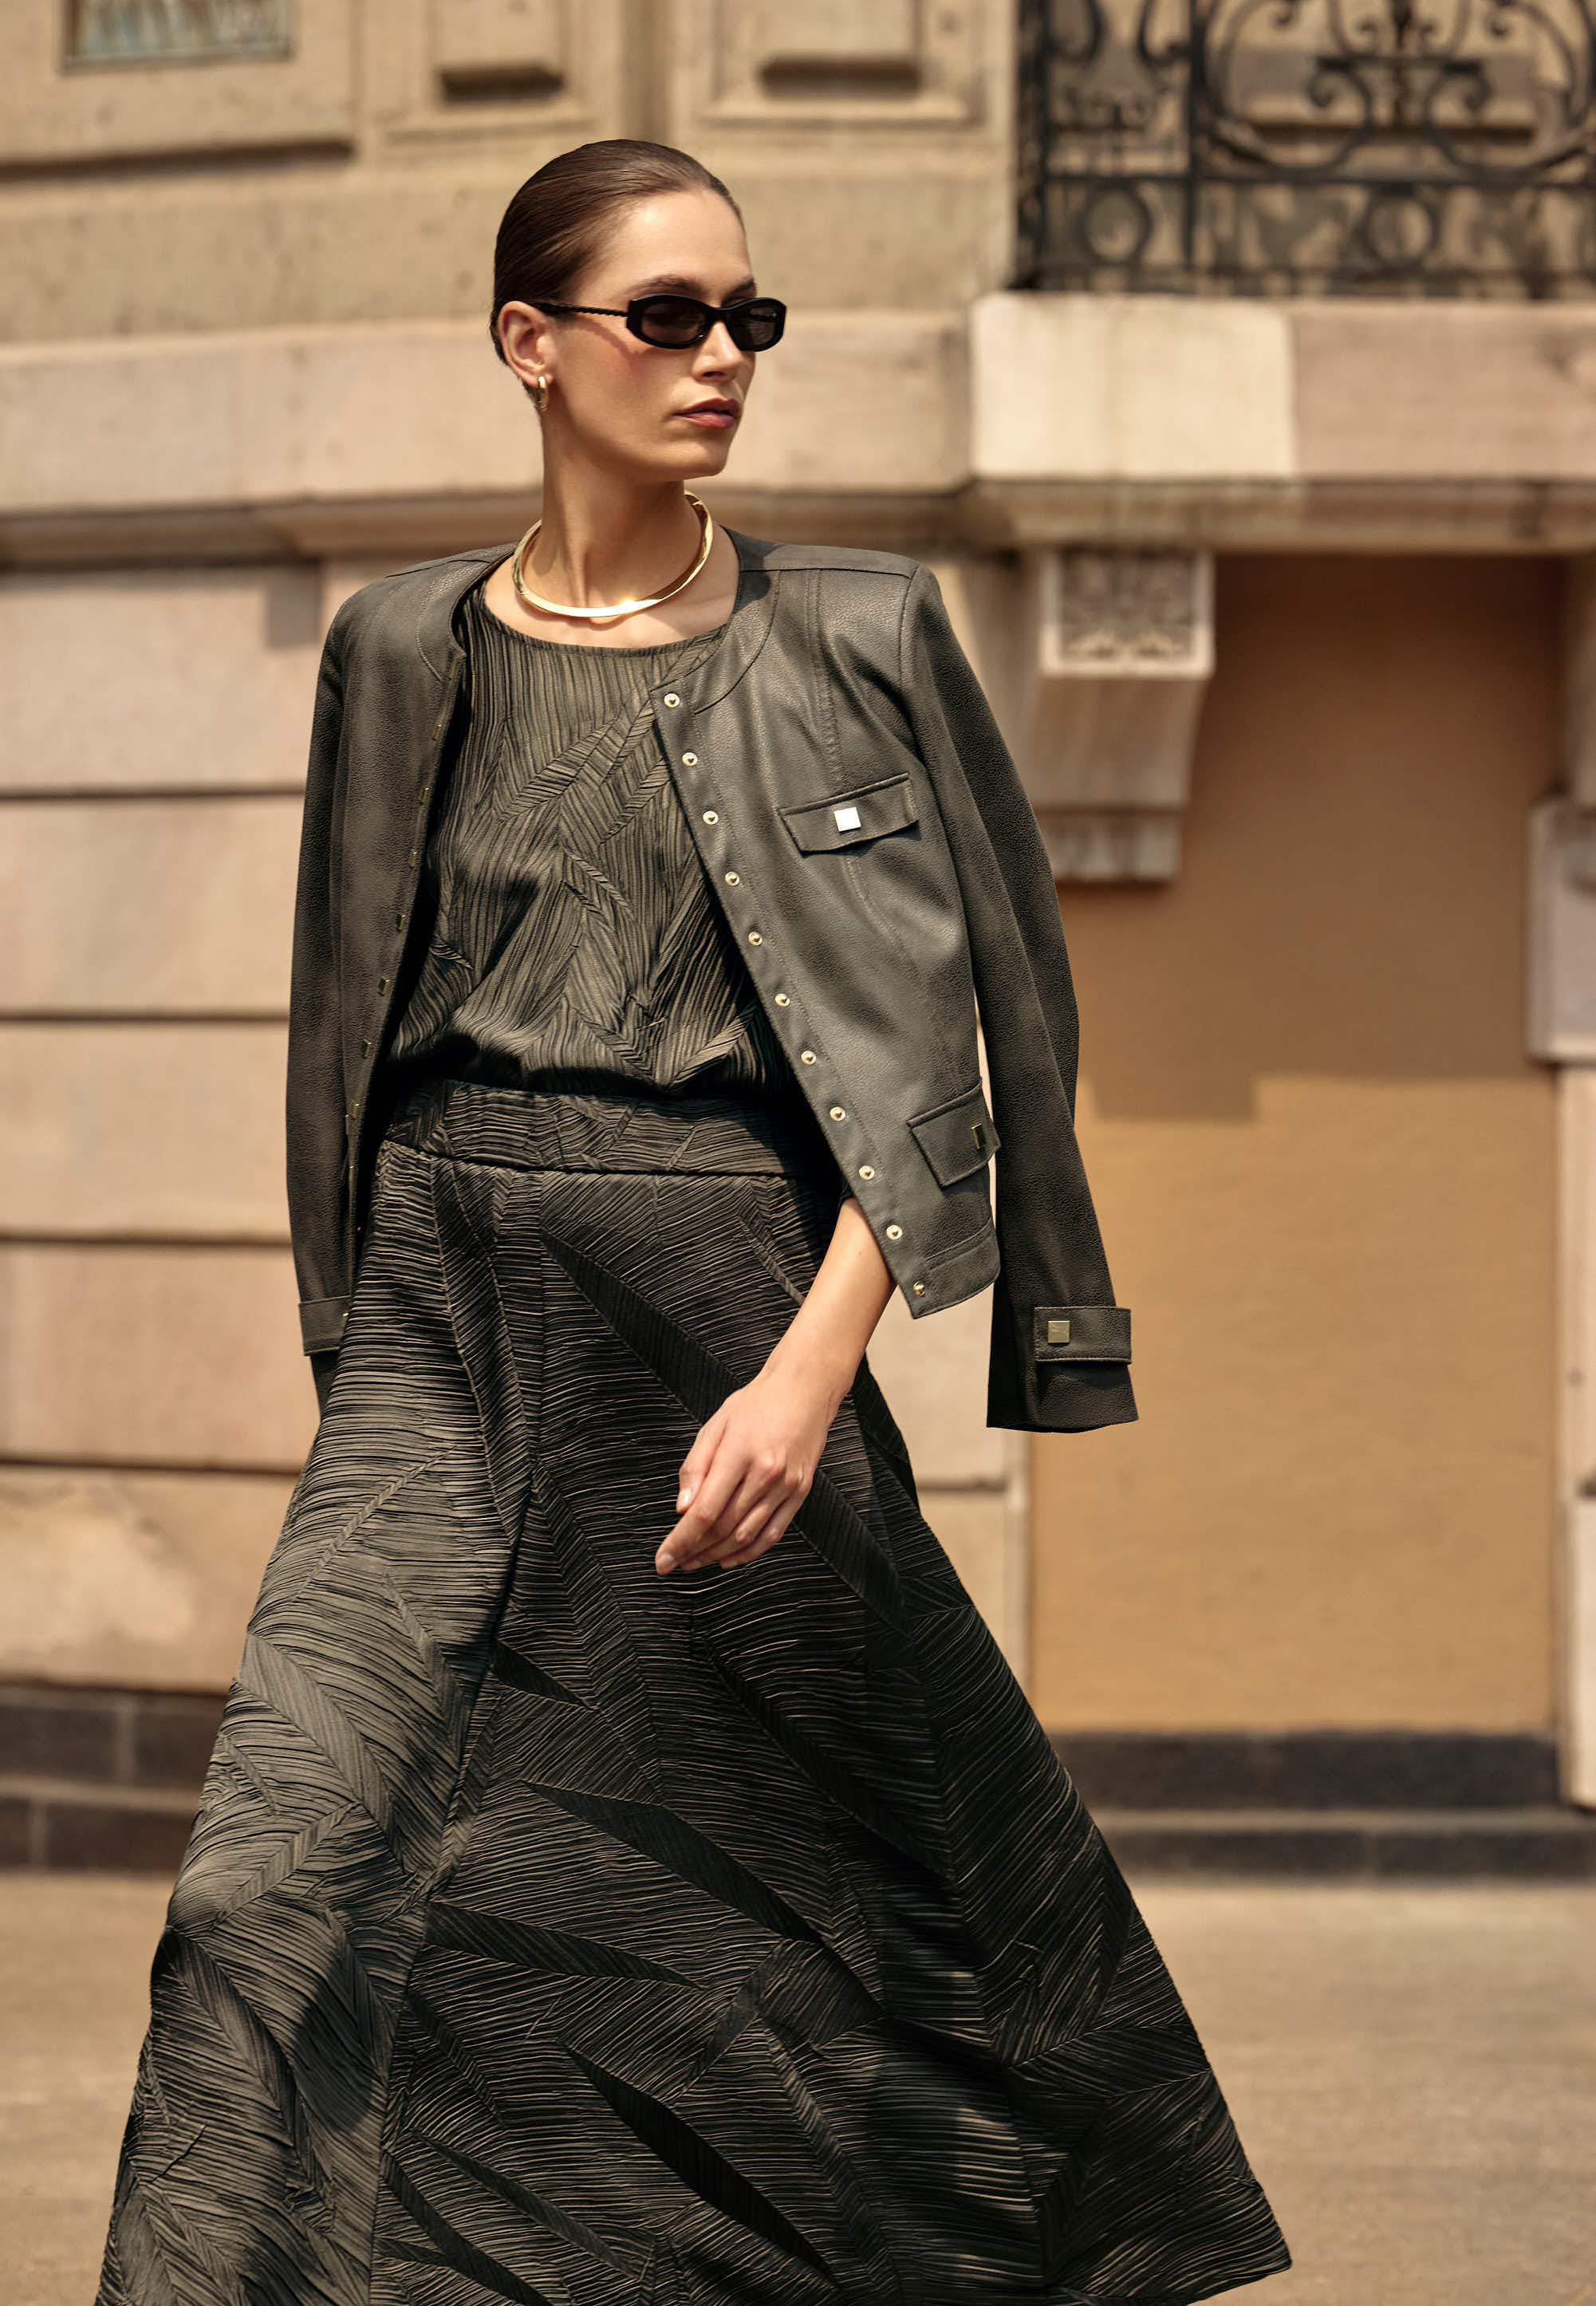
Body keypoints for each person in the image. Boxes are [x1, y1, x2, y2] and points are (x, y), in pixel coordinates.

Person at [96, 138, 1291, 2306]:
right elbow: (336, 1023)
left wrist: (809, 1368)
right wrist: (354, 1351)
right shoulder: (397, 651)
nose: (722, 358)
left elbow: (968, 1032)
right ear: (527, 344)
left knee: (797, 1919)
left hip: (733, 1310)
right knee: (266, 1888)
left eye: (748, 317)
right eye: (669, 317)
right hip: (447, 1336)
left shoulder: (855, 636)